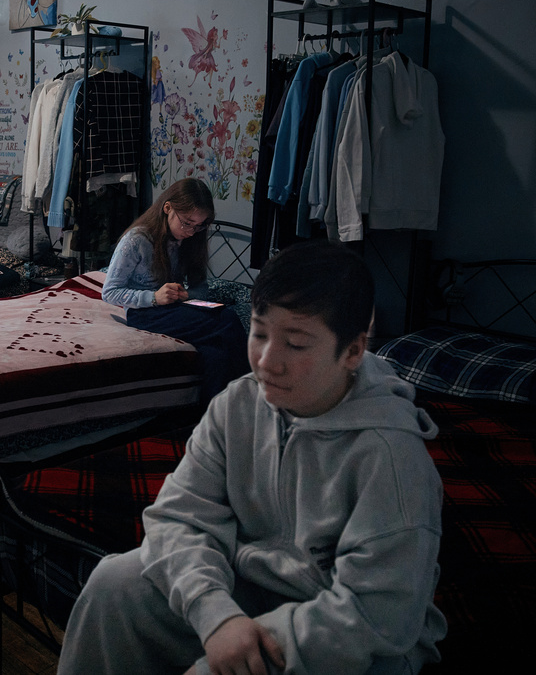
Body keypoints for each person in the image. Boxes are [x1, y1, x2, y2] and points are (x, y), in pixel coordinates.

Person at [58, 240, 447, 675]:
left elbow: (379, 614)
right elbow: (178, 517)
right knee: (114, 584)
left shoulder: (389, 455)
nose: (266, 361)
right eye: (259, 333)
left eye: (296, 344)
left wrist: (239, 647)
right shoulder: (237, 405)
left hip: (350, 633)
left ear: (353, 351)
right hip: (250, 585)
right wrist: (216, 615)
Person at [101, 178, 249, 402]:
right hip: (144, 312)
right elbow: (110, 292)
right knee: (228, 319)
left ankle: (212, 422)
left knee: (216, 354)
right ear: (167, 208)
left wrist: (189, 295)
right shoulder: (137, 240)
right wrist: (154, 297)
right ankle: (252, 399)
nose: (191, 231)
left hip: (177, 307)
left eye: (199, 225)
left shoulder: (192, 239)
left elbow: (200, 287)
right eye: (187, 223)